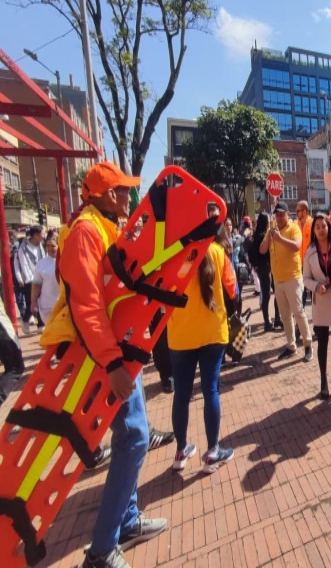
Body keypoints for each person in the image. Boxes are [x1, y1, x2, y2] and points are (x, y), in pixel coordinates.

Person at [39, 162, 167, 567]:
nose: (130, 196)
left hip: (121, 351)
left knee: (134, 438)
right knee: (132, 440)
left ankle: (126, 520)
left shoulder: (105, 227)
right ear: (108, 195)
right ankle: (101, 551)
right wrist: (112, 363)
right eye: (124, 190)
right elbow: (88, 307)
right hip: (105, 356)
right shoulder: (86, 232)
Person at [167, 236, 237, 473]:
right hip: (212, 332)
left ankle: (180, 450)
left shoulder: (172, 253)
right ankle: (213, 451)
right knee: (211, 390)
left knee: (182, 395)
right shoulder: (218, 252)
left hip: (180, 334)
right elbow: (233, 289)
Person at [303, 213, 331, 400]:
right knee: (322, 344)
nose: (322, 230)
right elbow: (305, 278)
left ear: (329, 228)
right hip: (320, 302)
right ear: (314, 230)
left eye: (324, 226)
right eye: (318, 227)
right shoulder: (310, 252)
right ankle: (324, 382)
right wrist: (316, 286)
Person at [259, 201, 313, 361]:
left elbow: (296, 246)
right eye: (277, 214)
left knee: (298, 312)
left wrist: (279, 238)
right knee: (285, 315)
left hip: (293, 278)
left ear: (288, 215)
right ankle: (291, 345)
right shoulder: (272, 229)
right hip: (278, 279)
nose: (279, 217)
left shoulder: (294, 228)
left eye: (282, 214)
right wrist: (268, 238)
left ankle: (308, 344)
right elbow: (262, 250)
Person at [13, 225, 44, 333]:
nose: (44, 236)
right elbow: (23, 265)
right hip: (30, 280)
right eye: (42, 234)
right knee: (32, 302)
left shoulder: (41, 245)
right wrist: (30, 280)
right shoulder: (23, 248)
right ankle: (25, 320)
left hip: (41, 276)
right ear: (36, 235)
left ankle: (41, 324)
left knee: (41, 300)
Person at [249, 213, 274, 331]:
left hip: (259, 268)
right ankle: (267, 322)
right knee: (266, 295)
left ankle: (268, 320)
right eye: (268, 221)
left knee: (265, 294)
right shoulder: (263, 236)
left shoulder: (255, 235)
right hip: (265, 267)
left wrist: (255, 266)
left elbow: (251, 253)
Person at [30, 233, 59, 326]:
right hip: (46, 306)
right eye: (47, 246)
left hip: (63, 305)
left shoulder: (66, 261)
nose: (50, 249)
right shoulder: (41, 264)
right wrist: (33, 302)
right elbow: (36, 284)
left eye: (53, 246)